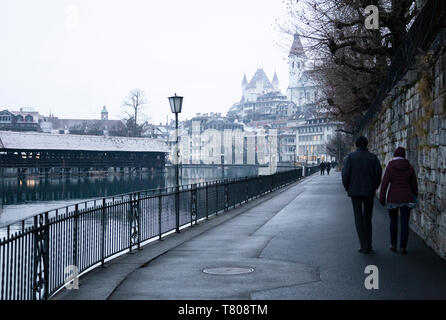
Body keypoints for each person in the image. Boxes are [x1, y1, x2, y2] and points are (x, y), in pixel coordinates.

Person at [342, 136, 382, 254]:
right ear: (367, 144)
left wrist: (347, 187)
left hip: (355, 191)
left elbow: (345, 174)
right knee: (368, 218)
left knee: (358, 218)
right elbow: (378, 174)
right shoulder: (373, 158)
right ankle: (369, 243)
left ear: (356, 145)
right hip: (369, 192)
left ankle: (363, 245)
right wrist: (374, 187)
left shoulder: (350, 157)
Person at [379, 147, 418, 255]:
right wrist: (415, 196)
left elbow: (385, 183)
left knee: (393, 221)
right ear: (404, 155)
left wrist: (382, 198)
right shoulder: (409, 167)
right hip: (407, 198)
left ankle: (393, 245)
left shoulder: (390, 166)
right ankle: (403, 247)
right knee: (405, 222)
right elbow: (414, 184)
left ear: (395, 155)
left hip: (393, 198)